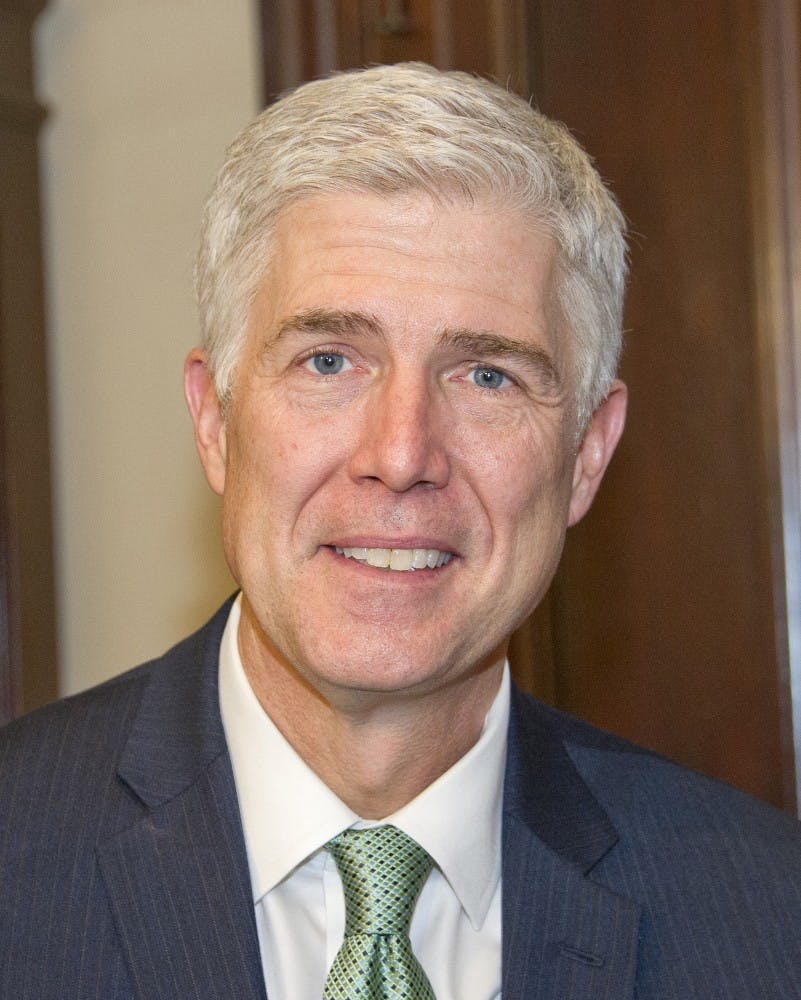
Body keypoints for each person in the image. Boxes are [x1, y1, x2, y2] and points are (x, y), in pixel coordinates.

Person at [1, 62, 800, 1000]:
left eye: (487, 375)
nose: (401, 452)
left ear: (586, 453)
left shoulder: (765, 915)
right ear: (215, 422)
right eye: (329, 360)